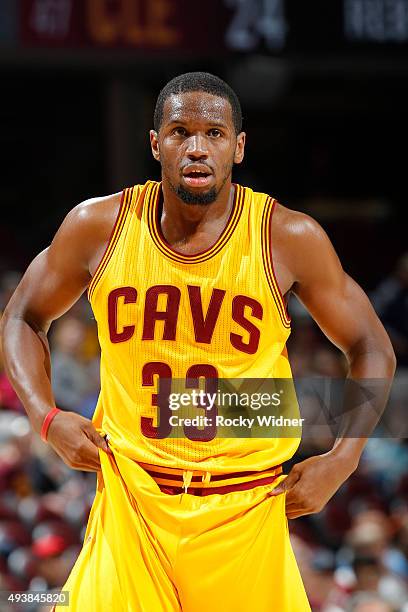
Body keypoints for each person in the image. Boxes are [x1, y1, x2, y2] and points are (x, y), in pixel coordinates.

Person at [1, 72, 396, 611]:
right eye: (180, 131)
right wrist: (45, 417)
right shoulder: (99, 225)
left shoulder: (288, 237)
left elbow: (371, 347)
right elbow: (21, 317)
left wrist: (344, 459)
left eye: (213, 133)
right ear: (155, 142)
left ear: (238, 147)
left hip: (246, 509)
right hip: (132, 502)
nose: (196, 147)